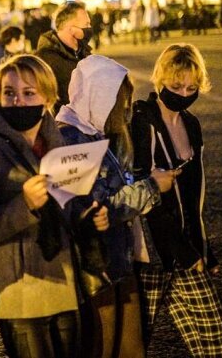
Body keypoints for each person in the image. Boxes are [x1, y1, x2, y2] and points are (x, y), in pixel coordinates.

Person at [0, 54, 107, 358]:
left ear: (47, 97)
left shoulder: (59, 146)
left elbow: (70, 207)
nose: (17, 102)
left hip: (65, 284)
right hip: (21, 295)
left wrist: (89, 217)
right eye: (9, 93)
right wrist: (24, 206)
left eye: (29, 93)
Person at [55, 55, 176, 358]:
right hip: (96, 268)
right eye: (118, 100)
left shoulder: (100, 133)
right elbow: (97, 208)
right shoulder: (70, 140)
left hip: (119, 258)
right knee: (104, 347)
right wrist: (151, 187)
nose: (124, 109)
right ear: (98, 96)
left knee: (131, 348)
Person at [131, 44, 222, 357]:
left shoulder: (191, 124)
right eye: (176, 86)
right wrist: (183, 251)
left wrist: (204, 248)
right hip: (154, 252)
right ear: (160, 79)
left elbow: (192, 197)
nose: (184, 93)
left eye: (192, 87)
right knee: (133, 344)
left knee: (214, 342)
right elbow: (145, 194)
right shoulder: (143, 123)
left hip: (185, 248)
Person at [35, 1, 93, 112]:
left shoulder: (83, 53)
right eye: (86, 25)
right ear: (71, 29)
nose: (90, 29)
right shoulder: (46, 61)